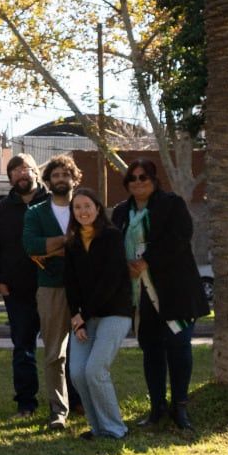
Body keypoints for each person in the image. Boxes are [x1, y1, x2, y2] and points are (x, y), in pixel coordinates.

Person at [111, 159, 209, 432]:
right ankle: (157, 409)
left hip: (174, 292)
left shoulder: (171, 204)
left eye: (144, 177)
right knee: (151, 351)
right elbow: (112, 245)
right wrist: (125, 266)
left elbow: (180, 237)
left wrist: (148, 260)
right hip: (140, 294)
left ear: (154, 180)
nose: (138, 182)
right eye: (133, 178)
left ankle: (180, 408)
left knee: (179, 348)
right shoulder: (120, 213)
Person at [62, 187, 133, 441]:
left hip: (114, 312)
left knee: (95, 370)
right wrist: (76, 318)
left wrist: (85, 314)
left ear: (98, 208)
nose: (83, 211)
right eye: (77, 207)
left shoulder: (112, 236)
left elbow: (111, 280)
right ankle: (97, 428)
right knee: (78, 373)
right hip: (84, 318)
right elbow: (71, 284)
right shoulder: (71, 243)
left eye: (87, 206)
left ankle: (115, 428)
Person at [22, 154, 82, 430]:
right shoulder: (36, 212)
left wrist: (53, 250)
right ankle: (58, 411)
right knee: (54, 353)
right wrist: (68, 241)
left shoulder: (85, 207)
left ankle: (88, 404)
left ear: (74, 179)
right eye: (55, 176)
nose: (60, 179)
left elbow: (98, 242)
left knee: (87, 351)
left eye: (65, 175)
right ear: (48, 181)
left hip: (86, 287)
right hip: (50, 288)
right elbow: (31, 246)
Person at [0, 153, 44, 416]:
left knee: (62, 349)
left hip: (53, 287)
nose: (22, 174)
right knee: (23, 349)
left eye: (27, 169)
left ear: (36, 173)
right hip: (17, 291)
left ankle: (70, 400)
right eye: (16, 170)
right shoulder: (0, 210)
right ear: (9, 177)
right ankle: (26, 402)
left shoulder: (54, 202)